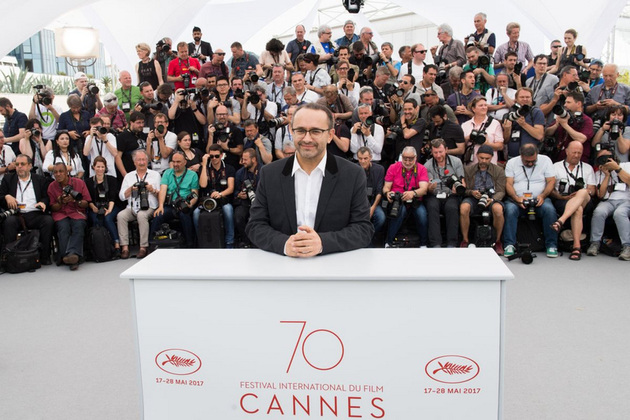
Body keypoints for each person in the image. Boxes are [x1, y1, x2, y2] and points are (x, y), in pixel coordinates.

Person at [246, 103, 373, 256]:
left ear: (330, 135)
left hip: (332, 264)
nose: (307, 139)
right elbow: (255, 225)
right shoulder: (269, 174)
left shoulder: (352, 174)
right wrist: (284, 244)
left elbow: (363, 229)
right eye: (300, 130)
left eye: (315, 131)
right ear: (292, 132)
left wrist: (323, 243)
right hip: (283, 265)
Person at [503, 144, 558, 258]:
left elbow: (551, 181)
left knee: (549, 210)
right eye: (527, 161)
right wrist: (516, 198)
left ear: (537, 154)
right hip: (517, 199)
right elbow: (508, 184)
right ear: (521, 156)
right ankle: (509, 245)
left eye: (533, 161)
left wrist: (543, 196)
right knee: (510, 210)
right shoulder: (512, 162)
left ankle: (551, 245)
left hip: (540, 199)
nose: (530, 164)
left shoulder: (546, 160)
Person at [0, 154, 54, 265]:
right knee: (9, 222)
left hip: (34, 213)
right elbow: (1, 196)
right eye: (17, 164)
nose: (19, 167)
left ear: (30, 166)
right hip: (16, 214)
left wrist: (43, 202)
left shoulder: (39, 179)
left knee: (48, 221)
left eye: (22, 164)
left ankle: (44, 256)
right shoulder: (8, 179)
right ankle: (10, 257)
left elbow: (46, 197)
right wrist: (7, 196)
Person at [549, 141, 596, 260]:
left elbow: (592, 189)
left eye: (579, 153)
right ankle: (576, 246)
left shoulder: (587, 168)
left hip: (585, 200)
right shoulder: (555, 167)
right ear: (566, 151)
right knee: (577, 209)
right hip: (563, 199)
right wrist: (561, 197)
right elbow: (550, 189)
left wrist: (584, 192)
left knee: (583, 192)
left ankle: (561, 220)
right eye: (574, 152)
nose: (576, 155)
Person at [460, 145, 506, 254]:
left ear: (491, 158)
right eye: (481, 158)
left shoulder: (499, 170)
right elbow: (464, 190)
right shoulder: (468, 170)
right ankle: (465, 240)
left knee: (498, 209)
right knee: (464, 208)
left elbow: (501, 191)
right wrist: (471, 192)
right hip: (474, 198)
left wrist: (493, 199)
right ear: (477, 156)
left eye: (487, 158)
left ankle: (498, 241)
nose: (484, 161)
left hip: (491, 197)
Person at [586, 149, 630, 260]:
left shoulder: (626, 166)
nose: (605, 160)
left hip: (626, 200)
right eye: (602, 158)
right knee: (599, 212)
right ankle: (595, 243)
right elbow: (601, 195)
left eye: (608, 157)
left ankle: (627, 246)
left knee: (620, 213)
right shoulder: (599, 173)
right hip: (608, 201)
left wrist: (617, 168)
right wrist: (606, 176)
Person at [117, 149, 161, 259]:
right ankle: (125, 248)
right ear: (134, 162)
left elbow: (161, 194)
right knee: (121, 216)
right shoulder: (129, 176)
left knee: (142, 215)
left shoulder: (155, 175)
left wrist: (152, 190)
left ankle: (143, 247)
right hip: (132, 207)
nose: (142, 162)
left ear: (147, 161)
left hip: (149, 206)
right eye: (139, 160)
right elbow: (121, 196)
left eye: (144, 160)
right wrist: (130, 189)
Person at [382, 146, 429, 247]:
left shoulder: (422, 168)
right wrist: (387, 193)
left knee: (422, 215)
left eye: (410, 159)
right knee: (400, 211)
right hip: (398, 200)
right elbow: (386, 187)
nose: (407, 162)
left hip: (415, 200)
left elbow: (424, 189)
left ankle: (424, 243)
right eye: (405, 159)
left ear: (416, 158)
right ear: (401, 157)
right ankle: (388, 242)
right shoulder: (393, 167)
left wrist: (413, 193)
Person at [48, 162, 91, 270]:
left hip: (76, 212)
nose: (58, 174)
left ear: (67, 172)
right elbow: (52, 207)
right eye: (55, 172)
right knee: (63, 227)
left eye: (61, 171)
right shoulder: (52, 186)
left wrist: (75, 200)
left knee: (78, 225)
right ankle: (73, 257)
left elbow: (86, 202)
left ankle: (68, 256)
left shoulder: (79, 182)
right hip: (61, 213)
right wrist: (60, 202)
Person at [151, 151, 199, 248]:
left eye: (178, 162)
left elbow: (195, 194)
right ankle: (151, 243)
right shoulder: (167, 173)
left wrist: (190, 204)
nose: (175, 164)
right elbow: (163, 190)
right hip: (170, 205)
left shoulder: (192, 175)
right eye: (174, 162)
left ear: (185, 162)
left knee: (185, 216)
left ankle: (190, 244)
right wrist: (160, 206)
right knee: (158, 215)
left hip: (184, 204)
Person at [423, 139, 465, 248]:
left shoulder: (456, 162)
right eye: (435, 152)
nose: (438, 155)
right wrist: (430, 188)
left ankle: (452, 243)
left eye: (440, 152)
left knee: (452, 207)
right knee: (432, 207)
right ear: (432, 152)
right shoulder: (427, 165)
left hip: (451, 194)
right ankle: (435, 243)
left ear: (446, 150)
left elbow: (462, 182)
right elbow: (427, 189)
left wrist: (458, 188)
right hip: (434, 194)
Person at [195, 144, 236, 248]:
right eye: (211, 156)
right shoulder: (204, 168)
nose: (214, 158)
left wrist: (220, 194)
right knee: (196, 214)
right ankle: (201, 240)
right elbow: (203, 185)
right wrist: (204, 165)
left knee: (228, 210)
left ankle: (230, 241)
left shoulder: (229, 168)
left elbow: (231, 188)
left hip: (223, 198)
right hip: (207, 200)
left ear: (221, 155)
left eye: (216, 156)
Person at [85, 156, 121, 256]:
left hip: (111, 205)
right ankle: (102, 246)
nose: (100, 169)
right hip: (95, 207)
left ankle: (117, 244)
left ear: (105, 168)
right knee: (96, 219)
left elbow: (113, 197)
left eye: (102, 167)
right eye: (98, 167)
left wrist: (109, 209)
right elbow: (88, 198)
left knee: (108, 219)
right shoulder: (88, 182)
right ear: (93, 167)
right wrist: (93, 207)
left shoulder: (111, 179)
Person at [544, 90, 593, 162]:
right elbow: (547, 133)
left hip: (577, 161)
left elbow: (581, 139)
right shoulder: (563, 117)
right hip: (558, 159)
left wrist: (565, 125)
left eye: (568, 102)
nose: (565, 105)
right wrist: (556, 124)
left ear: (578, 104)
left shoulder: (587, 120)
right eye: (565, 102)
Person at [502, 87, 545, 160]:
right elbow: (505, 141)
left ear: (531, 98)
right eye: (522, 97)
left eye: (527, 97)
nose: (525, 99)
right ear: (516, 99)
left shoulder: (536, 112)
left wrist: (523, 124)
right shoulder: (510, 114)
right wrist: (507, 129)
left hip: (531, 157)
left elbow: (539, 135)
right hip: (513, 157)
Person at [461, 97, 504, 165]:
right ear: (473, 109)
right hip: (471, 165)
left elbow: (500, 146)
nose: (484, 107)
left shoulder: (495, 123)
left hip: (490, 165)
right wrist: (468, 138)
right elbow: (461, 147)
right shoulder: (465, 125)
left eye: (485, 105)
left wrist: (487, 144)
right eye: (481, 105)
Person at [356, 146, 385, 244]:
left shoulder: (379, 169)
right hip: (358, 202)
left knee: (381, 218)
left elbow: (379, 191)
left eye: (365, 158)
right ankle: (362, 238)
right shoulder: (354, 168)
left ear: (370, 157)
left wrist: (372, 208)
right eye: (360, 159)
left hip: (373, 201)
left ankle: (369, 237)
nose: (363, 161)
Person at [208, 105, 244, 169]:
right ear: (216, 116)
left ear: (228, 115)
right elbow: (208, 151)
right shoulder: (212, 130)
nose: (222, 116)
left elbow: (240, 151)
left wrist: (227, 148)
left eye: (224, 114)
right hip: (215, 167)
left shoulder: (235, 130)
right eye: (219, 114)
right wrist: (210, 135)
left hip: (233, 166)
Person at [115, 111, 147, 177]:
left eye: (142, 122)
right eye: (138, 123)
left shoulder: (144, 136)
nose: (141, 125)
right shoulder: (122, 137)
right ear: (131, 123)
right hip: (128, 173)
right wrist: (125, 175)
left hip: (143, 174)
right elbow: (118, 157)